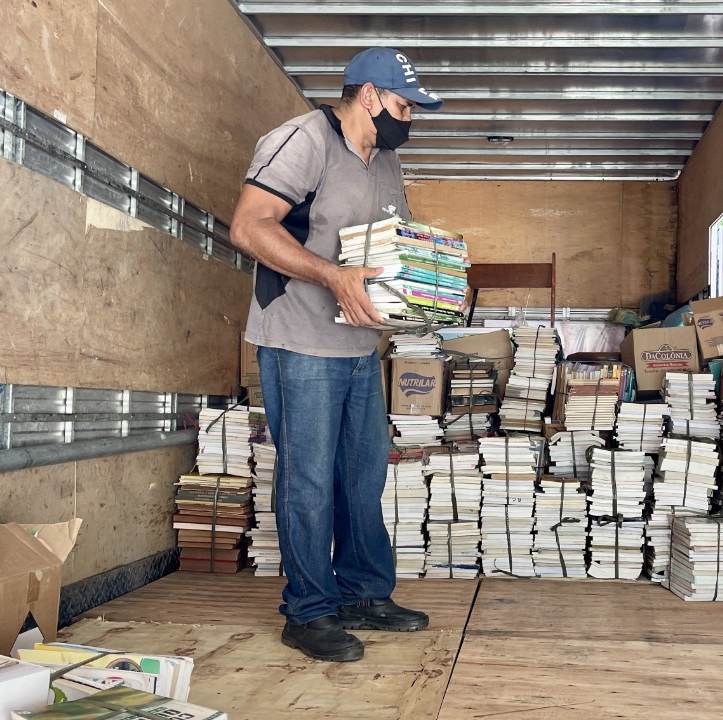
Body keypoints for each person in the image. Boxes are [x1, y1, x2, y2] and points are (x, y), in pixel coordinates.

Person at [229, 47, 443, 663]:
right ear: (370, 95)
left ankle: (363, 594)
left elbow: (393, 246)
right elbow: (250, 227)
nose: (411, 119)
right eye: (405, 105)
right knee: (310, 479)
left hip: (356, 345)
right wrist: (333, 276)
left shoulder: (387, 160)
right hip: (299, 338)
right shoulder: (301, 141)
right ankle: (309, 612)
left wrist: (435, 281)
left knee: (362, 475)